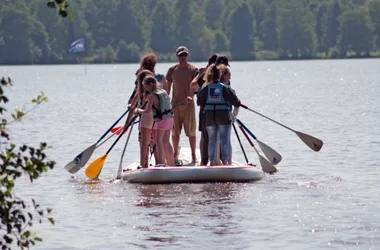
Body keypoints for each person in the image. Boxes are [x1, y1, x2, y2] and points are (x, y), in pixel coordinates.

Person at [196, 64, 240, 166]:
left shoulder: (205, 88)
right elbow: (236, 102)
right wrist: (234, 114)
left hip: (210, 117)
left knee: (212, 140)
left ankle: (212, 161)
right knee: (224, 139)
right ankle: (225, 161)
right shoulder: (224, 88)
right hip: (223, 116)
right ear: (219, 75)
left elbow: (199, 102)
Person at [166, 46, 198, 165]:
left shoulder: (193, 69)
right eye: (180, 55)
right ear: (177, 56)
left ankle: (194, 156)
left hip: (188, 105)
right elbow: (167, 89)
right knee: (175, 132)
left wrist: (192, 95)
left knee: (191, 131)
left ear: (187, 56)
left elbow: (198, 84)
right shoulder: (172, 70)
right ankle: (175, 155)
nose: (183, 57)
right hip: (175, 105)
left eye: (185, 55)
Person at [135, 76, 174, 167]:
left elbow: (147, 111)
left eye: (145, 86)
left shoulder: (152, 95)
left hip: (162, 120)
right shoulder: (163, 91)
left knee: (158, 141)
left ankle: (161, 163)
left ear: (149, 85)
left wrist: (137, 110)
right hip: (170, 119)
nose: (145, 88)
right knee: (166, 141)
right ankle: (171, 164)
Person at [125, 69, 156, 168]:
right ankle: (160, 163)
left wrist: (127, 124)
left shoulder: (140, 94)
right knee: (154, 143)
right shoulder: (156, 92)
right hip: (156, 122)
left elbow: (132, 108)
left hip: (144, 122)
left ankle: (144, 165)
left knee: (143, 143)